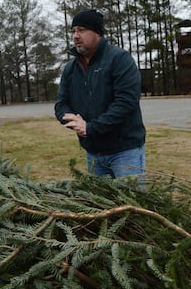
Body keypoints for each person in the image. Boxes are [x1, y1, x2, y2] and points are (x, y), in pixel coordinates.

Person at [55, 9, 146, 179]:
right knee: (101, 204)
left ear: (97, 33)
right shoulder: (70, 69)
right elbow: (61, 104)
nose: (75, 36)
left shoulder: (119, 60)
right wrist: (74, 122)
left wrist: (90, 128)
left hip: (124, 151)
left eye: (81, 30)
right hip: (93, 153)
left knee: (131, 202)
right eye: (73, 31)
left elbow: (126, 102)